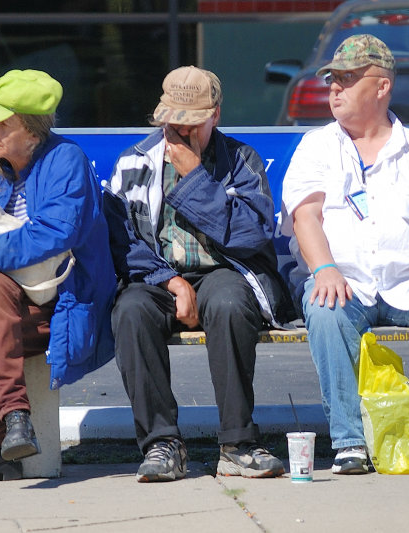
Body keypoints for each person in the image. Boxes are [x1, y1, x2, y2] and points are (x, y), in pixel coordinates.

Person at [281, 34, 409, 475]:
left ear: (381, 86)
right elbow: (306, 218)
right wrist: (325, 268)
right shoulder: (317, 145)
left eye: (347, 79)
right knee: (324, 307)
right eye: (332, 79)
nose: (334, 88)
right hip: (345, 279)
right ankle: (349, 442)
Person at [103, 66, 295, 482]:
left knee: (229, 304)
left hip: (224, 270)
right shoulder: (135, 161)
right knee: (131, 312)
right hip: (157, 276)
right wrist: (169, 281)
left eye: (192, 124)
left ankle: (237, 443)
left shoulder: (241, 160)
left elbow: (251, 234)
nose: (181, 133)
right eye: (173, 123)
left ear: (215, 116)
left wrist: (194, 176)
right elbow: (120, 241)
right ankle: (162, 443)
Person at [0, 69, 116, 483]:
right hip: (1, 307)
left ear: (33, 132)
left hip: (60, 304)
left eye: (4, 123)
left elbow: (57, 231)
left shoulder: (65, 159)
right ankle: (13, 425)